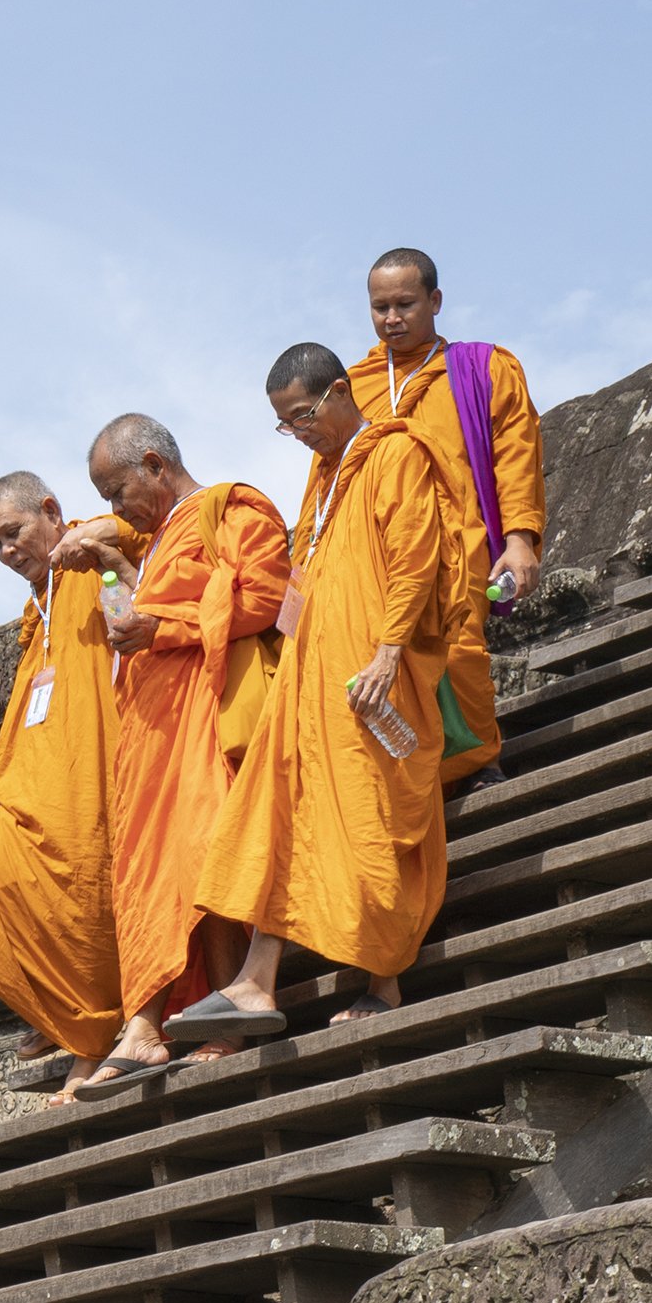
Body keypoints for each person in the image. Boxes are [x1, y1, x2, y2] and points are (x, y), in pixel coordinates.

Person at [175, 343, 455, 1043]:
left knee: (372, 813)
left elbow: (417, 554)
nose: (298, 431)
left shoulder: (395, 454)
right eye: (285, 424)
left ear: (338, 391)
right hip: (314, 673)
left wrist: (390, 651)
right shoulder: (324, 476)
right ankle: (254, 982)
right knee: (284, 817)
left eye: (302, 415)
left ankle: (383, 980)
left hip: (371, 671)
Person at [52, 415, 288, 1083]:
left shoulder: (231, 507)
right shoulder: (155, 545)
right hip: (153, 732)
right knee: (156, 878)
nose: (114, 508)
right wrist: (132, 595)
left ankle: (201, 1023)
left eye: (116, 489)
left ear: (155, 464)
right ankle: (148, 1027)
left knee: (202, 858)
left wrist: (166, 624)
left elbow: (264, 597)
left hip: (206, 714)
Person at [0, 470, 121, 1100]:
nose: (8, 552)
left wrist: (96, 534)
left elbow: (146, 545)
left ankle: (90, 1038)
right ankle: (61, 1016)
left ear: (50, 511)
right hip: (43, 776)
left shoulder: (95, 557)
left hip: (96, 767)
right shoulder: (40, 603)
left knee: (81, 885)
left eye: (13, 534)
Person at [349, 247, 545, 784]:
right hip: (378, 552)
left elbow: (516, 453)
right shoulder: (353, 386)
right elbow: (332, 477)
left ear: (435, 301)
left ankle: (475, 765)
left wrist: (521, 538)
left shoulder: (482, 368)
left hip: (459, 544)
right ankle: (413, 778)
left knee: (457, 654)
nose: (392, 319)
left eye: (405, 304)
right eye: (379, 307)